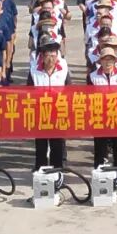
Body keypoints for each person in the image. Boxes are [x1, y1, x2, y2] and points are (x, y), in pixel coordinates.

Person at [30, 39, 71, 171]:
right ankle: (40, 170)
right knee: (41, 145)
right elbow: (28, 93)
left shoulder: (63, 70)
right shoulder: (34, 71)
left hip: (58, 112)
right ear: (42, 56)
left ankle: (57, 170)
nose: (51, 58)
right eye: (48, 55)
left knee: (57, 144)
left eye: (54, 54)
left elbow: (69, 91)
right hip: (40, 113)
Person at [88, 46, 117, 168]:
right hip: (100, 115)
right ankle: (99, 170)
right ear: (100, 61)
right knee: (100, 146)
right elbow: (89, 97)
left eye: (110, 59)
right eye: (105, 59)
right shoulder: (92, 76)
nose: (108, 62)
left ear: (115, 61)